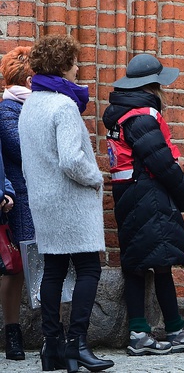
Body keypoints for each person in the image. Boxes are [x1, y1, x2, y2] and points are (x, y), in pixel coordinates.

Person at [18, 34, 113, 372]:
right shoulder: (63, 105)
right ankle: (77, 345)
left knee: (54, 270)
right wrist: (96, 177)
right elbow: (72, 161)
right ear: (62, 67)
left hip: (43, 200)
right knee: (89, 267)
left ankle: (51, 347)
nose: (78, 68)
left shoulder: (31, 104)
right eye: (74, 63)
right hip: (71, 200)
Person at [103, 54, 184, 356]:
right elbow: (161, 162)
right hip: (148, 193)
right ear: (152, 86)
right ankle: (174, 330)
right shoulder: (141, 116)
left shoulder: (121, 114)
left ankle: (140, 333)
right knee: (161, 264)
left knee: (137, 264)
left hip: (128, 193)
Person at [0, 47, 32, 361]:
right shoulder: (8, 110)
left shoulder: (34, 106)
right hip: (18, 200)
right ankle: (12, 331)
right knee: (14, 270)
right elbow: (21, 149)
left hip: (40, 198)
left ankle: (53, 329)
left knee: (46, 265)